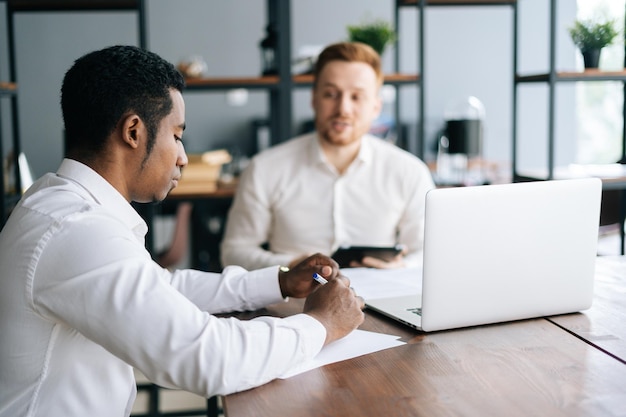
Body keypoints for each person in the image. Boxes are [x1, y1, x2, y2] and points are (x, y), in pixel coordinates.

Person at [0, 45, 364, 417]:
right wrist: (320, 323)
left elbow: (161, 289)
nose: (183, 156)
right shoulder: (76, 229)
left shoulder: (63, 204)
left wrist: (281, 281)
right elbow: (209, 358)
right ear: (133, 131)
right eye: (176, 135)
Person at [221, 42, 435, 271]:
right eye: (331, 94)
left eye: (357, 97)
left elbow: (430, 253)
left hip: (380, 304)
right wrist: (289, 266)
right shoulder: (265, 168)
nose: (343, 108)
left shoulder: (409, 171)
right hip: (293, 306)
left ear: (375, 107)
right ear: (314, 99)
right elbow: (234, 253)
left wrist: (401, 269)